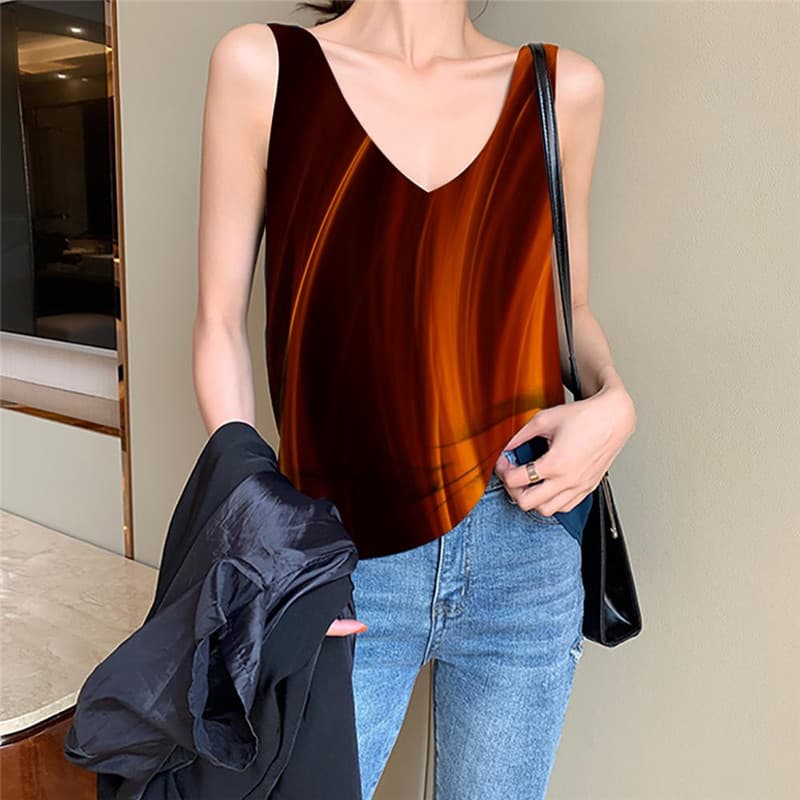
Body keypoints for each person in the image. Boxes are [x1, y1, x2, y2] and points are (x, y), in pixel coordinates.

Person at [193, 1, 636, 798]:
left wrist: (614, 400)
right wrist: (268, 541)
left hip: (524, 545)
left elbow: (566, 307)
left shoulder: (560, 87)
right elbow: (219, 321)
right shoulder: (266, 68)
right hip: (337, 552)